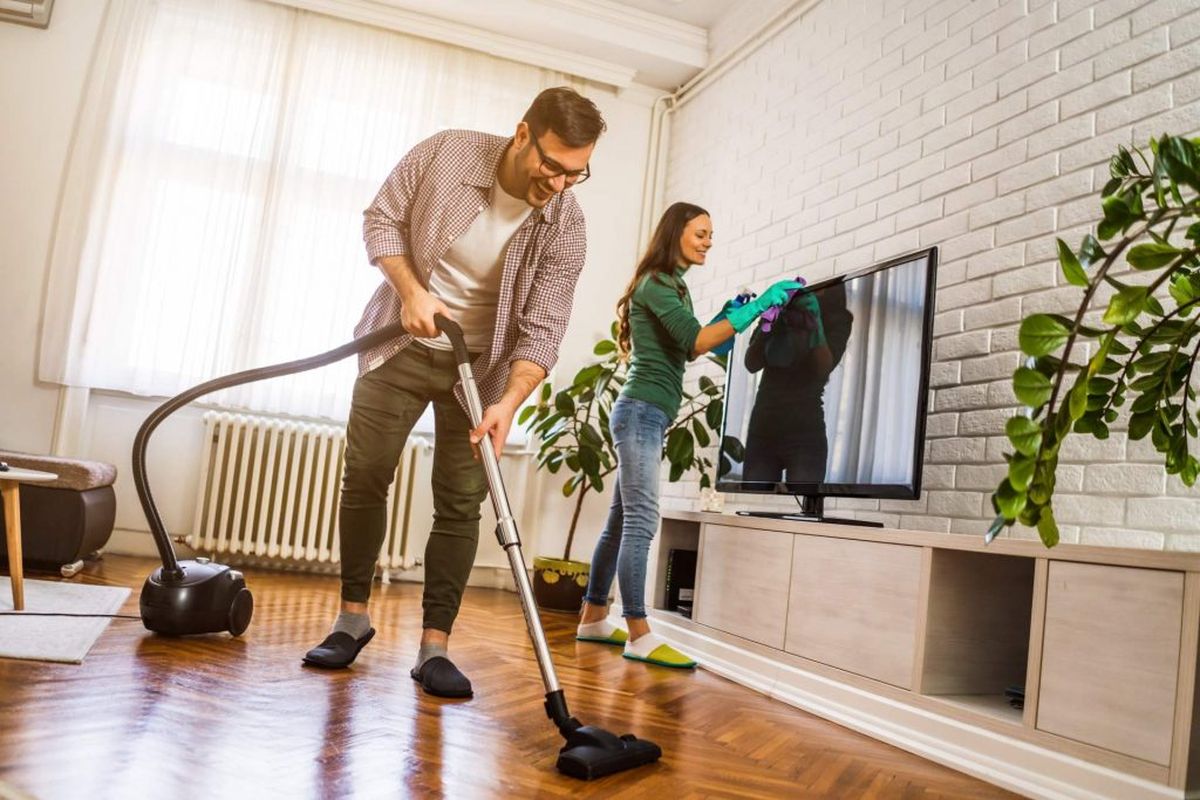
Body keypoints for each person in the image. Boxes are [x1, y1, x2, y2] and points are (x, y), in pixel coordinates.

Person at [303, 88, 606, 700]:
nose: (563, 183)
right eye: (553, 164)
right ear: (523, 134)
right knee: (365, 475)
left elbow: (543, 326)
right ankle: (352, 619)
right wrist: (412, 290)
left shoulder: (566, 224)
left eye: (579, 172)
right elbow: (381, 217)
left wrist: (509, 402)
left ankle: (434, 647)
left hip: (484, 372)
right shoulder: (448, 154)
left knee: (463, 501)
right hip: (400, 344)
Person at [575, 201, 800, 668]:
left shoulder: (674, 287)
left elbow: (689, 346)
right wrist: (759, 305)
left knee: (621, 521)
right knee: (642, 519)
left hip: (647, 414)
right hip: (641, 412)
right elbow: (697, 342)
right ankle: (638, 632)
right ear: (676, 232)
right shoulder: (656, 284)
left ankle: (594, 619)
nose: (708, 242)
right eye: (701, 233)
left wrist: (728, 313)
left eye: (711, 235)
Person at [743, 280, 853, 484]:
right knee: (754, 492)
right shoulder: (782, 305)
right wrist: (769, 323)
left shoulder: (838, 319)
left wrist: (815, 324)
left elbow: (822, 368)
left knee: (806, 497)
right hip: (763, 427)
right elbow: (751, 363)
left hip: (805, 430)